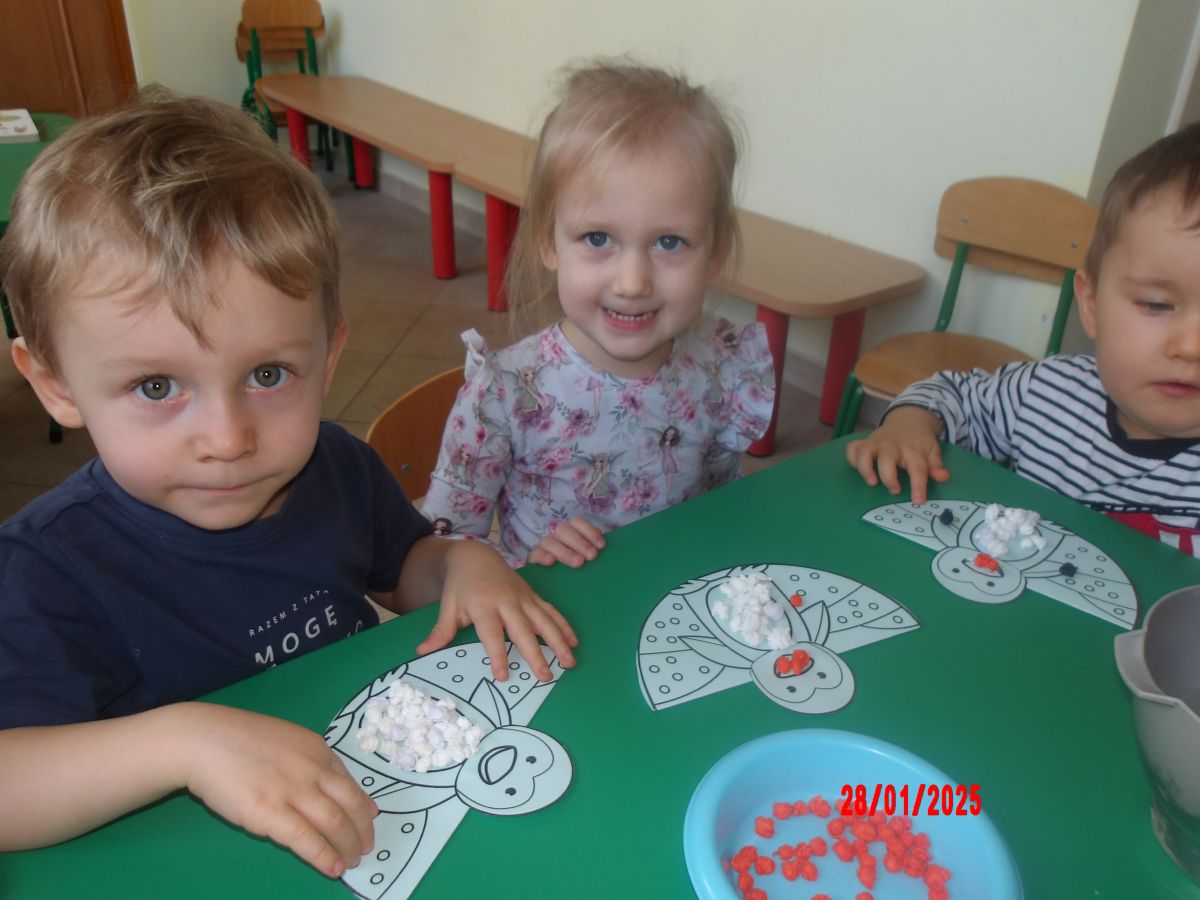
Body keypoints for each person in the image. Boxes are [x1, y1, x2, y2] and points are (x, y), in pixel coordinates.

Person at [0, 91, 577, 877]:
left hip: (380, 816)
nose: (228, 439)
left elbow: (404, 568)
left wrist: (461, 566)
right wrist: (184, 743)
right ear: (56, 384)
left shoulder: (333, 465)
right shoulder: (40, 570)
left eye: (268, 375)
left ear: (328, 357)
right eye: (156, 387)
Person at [422, 60, 775, 568]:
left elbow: (720, 509)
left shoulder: (720, 369)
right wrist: (522, 568)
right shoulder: (503, 395)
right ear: (549, 242)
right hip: (552, 612)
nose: (632, 283)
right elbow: (443, 554)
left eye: (669, 242)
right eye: (597, 238)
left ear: (714, 253)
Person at [846, 122, 1200, 555]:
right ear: (1091, 304)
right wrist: (908, 424)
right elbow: (950, 394)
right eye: (1156, 305)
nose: (1190, 347)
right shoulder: (1045, 393)